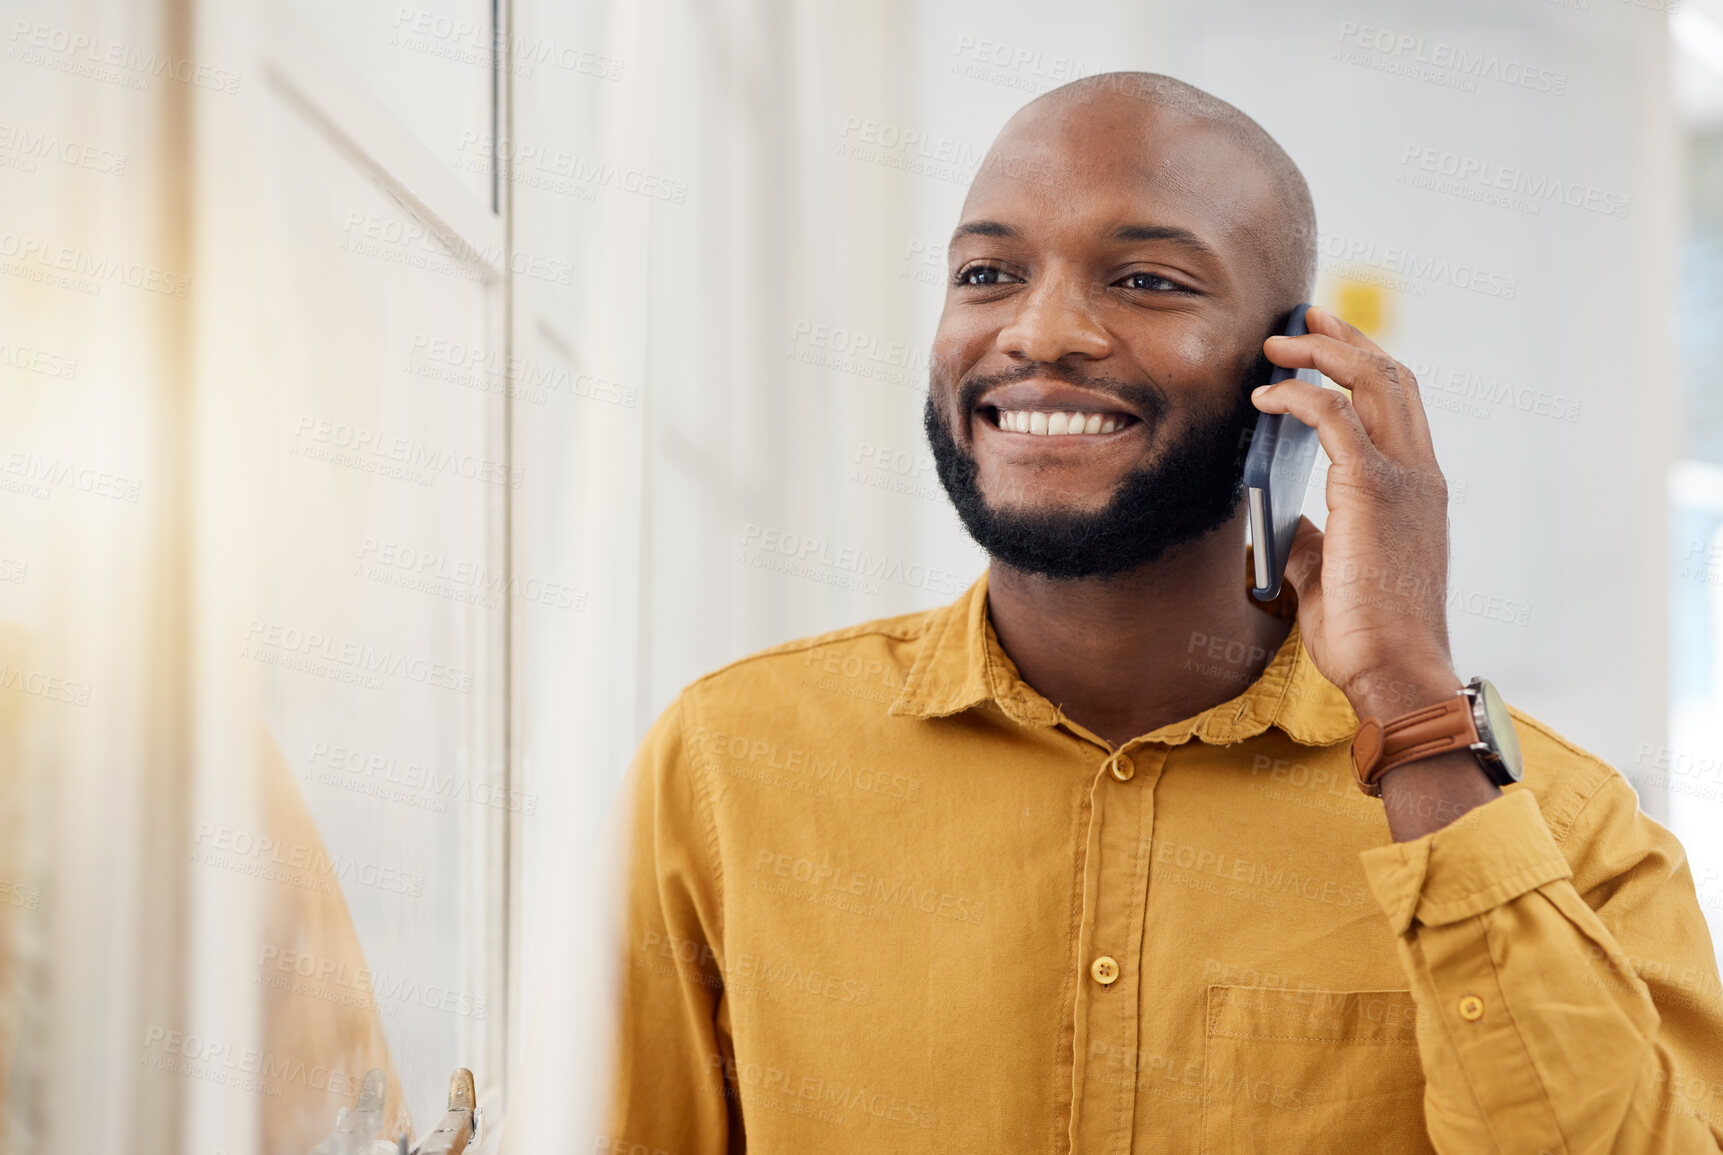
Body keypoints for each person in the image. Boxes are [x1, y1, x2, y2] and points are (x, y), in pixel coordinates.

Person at [600, 72, 1723, 1152]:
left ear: (1294, 374)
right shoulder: (734, 762)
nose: (1041, 333)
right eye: (987, 274)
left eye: (1146, 282)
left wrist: (1413, 711)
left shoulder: (1566, 837)